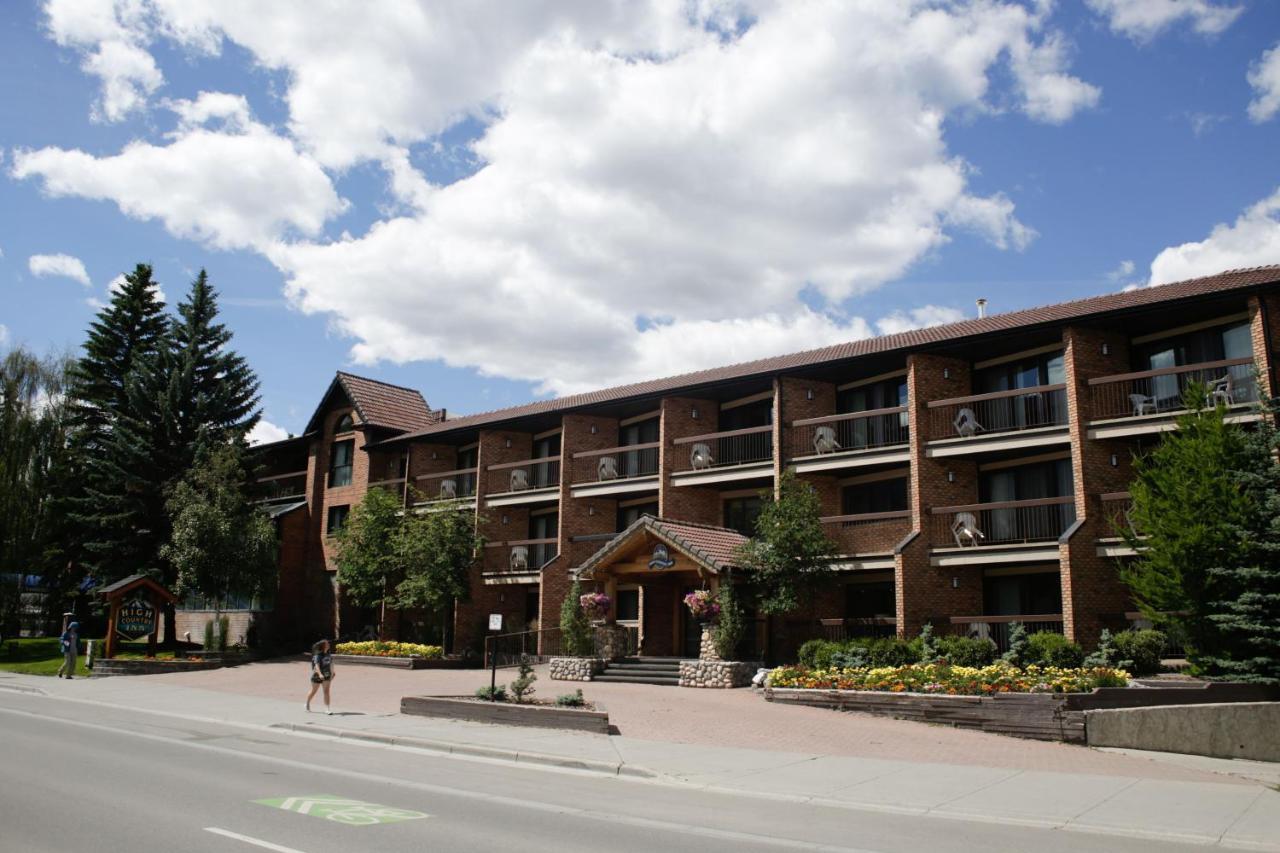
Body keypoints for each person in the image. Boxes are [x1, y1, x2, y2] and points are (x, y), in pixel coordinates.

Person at [306, 639, 335, 714]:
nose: (328, 644)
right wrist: (319, 674)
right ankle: (307, 703)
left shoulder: (328, 654)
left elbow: (331, 664)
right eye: (327, 644)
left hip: (327, 675)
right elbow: (316, 666)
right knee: (314, 691)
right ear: (323, 646)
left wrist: (333, 672)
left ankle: (327, 709)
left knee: (326, 691)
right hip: (317, 675)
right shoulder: (318, 655)